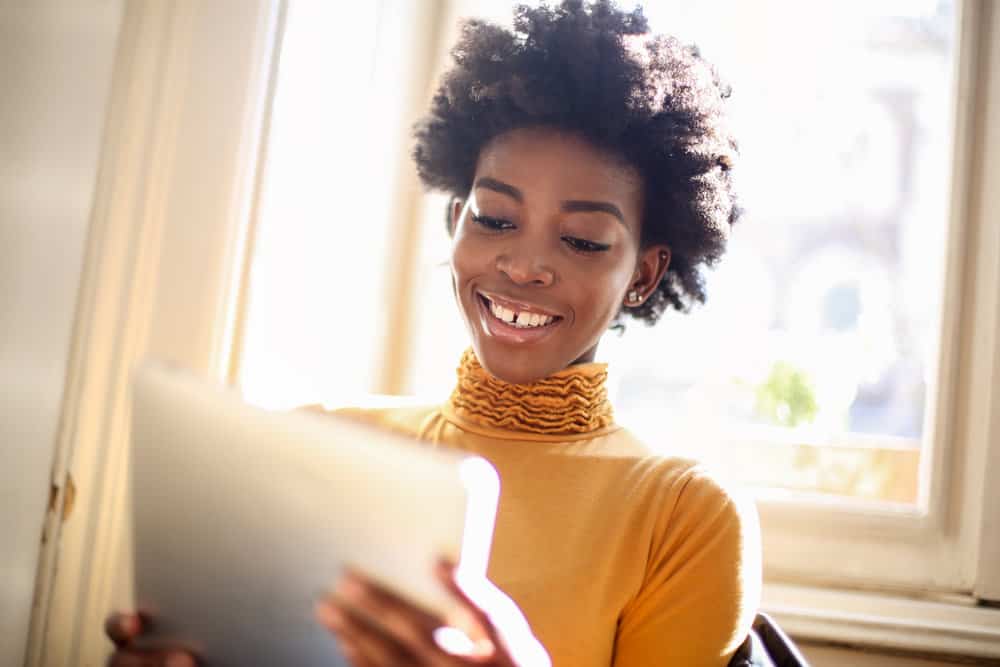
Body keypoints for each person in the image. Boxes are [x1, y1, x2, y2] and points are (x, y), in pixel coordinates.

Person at [106, 1, 762, 665]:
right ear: (455, 221)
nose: (524, 264)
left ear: (645, 274)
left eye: (581, 239)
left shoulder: (684, 516)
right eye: (496, 219)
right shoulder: (315, 443)